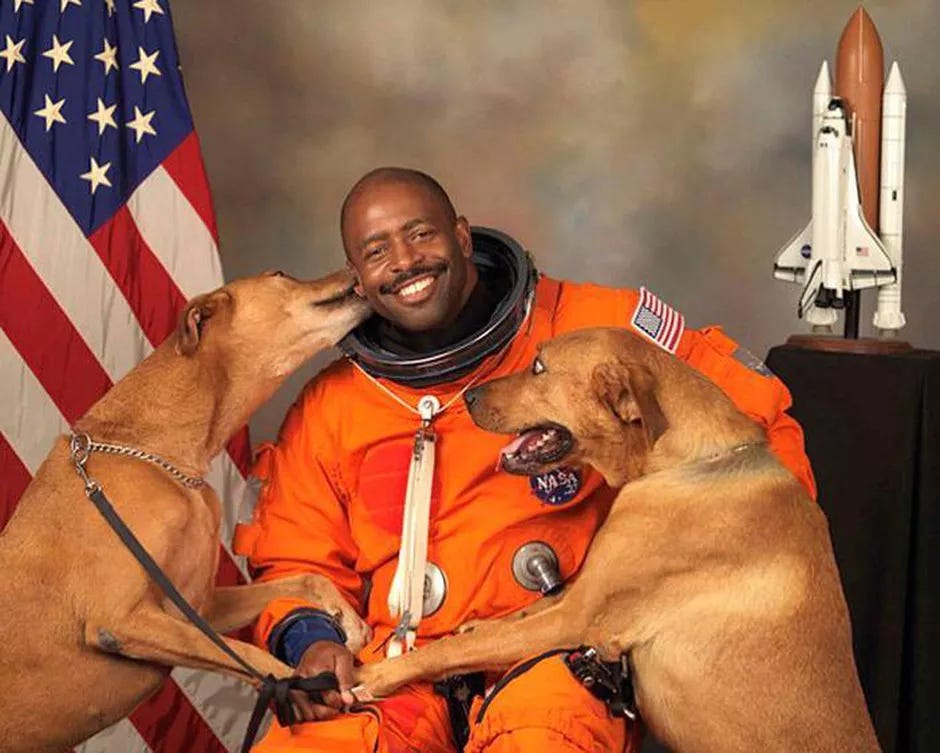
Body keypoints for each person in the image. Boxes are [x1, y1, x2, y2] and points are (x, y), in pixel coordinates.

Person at [233, 167, 817, 753]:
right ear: (357, 278)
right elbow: (293, 557)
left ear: (462, 237)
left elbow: (748, 422)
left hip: (552, 658)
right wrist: (310, 642)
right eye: (377, 251)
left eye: (421, 235)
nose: (406, 261)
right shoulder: (332, 406)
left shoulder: (594, 330)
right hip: (390, 672)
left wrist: (732, 580)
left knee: (547, 736)